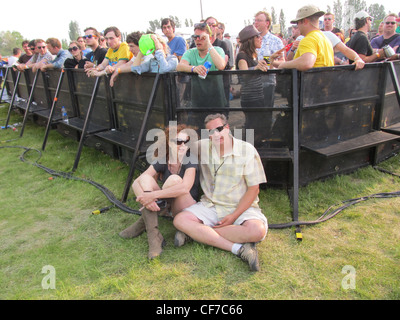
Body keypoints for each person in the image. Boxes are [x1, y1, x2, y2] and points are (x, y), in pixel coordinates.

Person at [173, 113, 268, 272]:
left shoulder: (247, 150)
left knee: (257, 231)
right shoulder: (202, 146)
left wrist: (234, 215)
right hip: (210, 205)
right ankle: (239, 249)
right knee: (179, 220)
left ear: (227, 128)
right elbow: (178, 142)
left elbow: (254, 189)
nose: (216, 134)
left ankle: (196, 233)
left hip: (240, 207)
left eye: (219, 129)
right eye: (211, 132)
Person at [120, 124, 199, 259]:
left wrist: (151, 195)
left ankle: (142, 223)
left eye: (186, 141)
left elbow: (185, 188)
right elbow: (137, 182)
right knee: (144, 178)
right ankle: (154, 236)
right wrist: (147, 197)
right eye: (178, 142)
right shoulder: (165, 159)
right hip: (166, 203)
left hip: (186, 207)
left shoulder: (190, 159)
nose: (183, 145)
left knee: (174, 180)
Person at [176, 22, 227, 108]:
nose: (198, 40)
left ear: (209, 38)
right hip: (197, 104)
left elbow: (221, 65)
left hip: (217, 103)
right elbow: (179, 66)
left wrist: (209, 44)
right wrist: (194, 68)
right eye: (195, 37)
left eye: (202, 37)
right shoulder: (190, 52)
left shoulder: (218, 50)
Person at [274, 5, 334, 71]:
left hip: (310, 80)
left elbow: (307, 63)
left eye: (298, 23)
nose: (298, 26)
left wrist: (283, 65)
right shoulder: (325, 39)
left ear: (305, 21)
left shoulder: (309, 39)